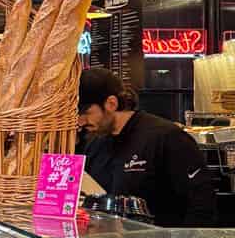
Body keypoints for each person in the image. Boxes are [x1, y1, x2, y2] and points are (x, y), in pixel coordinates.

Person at [79, 66, 215, 226]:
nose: (80, 122)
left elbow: (201, 203)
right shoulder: (94, 144)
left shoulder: (166, 136)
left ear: (111, 103)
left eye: (85, 113)